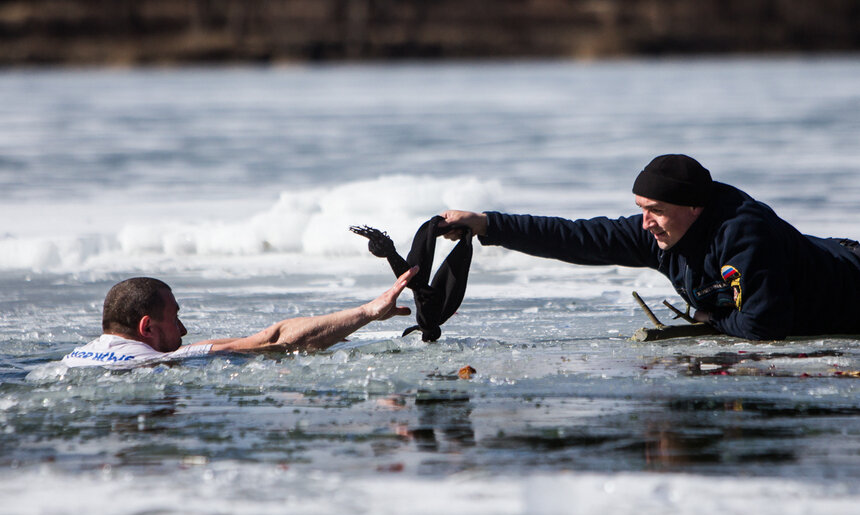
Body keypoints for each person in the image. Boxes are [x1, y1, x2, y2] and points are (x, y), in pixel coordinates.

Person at [440, 154, 860, 341]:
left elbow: (765, 326)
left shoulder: (744, 233)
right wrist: (487, 224)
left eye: (656, 210)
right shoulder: (660, 234)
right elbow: (577, 237)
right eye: (640, 209)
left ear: (695, 208)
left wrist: (708, 316)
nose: (645, 223)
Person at [63, 267, 418, 367]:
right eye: (175, 318)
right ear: (147, 327)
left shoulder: (75, 358)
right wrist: (369, 311)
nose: (184, 330)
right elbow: (276, 339)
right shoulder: (157, 361)